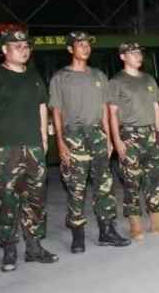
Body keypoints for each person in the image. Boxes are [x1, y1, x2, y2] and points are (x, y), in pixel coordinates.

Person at [0, 30, 58, 272]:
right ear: (5, 50)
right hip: (6, 149)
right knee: (7, 200)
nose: (24, 50)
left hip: (33, 147)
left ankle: (34, 247)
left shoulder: (34, 76)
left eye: (26, 46)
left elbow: (42, 107)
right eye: (17, 46)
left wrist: (43, 139)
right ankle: (9, 248)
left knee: (36, 199)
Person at [49, 31, 130, 254]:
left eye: (87, 45)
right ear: (70, 49)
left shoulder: (98, 76)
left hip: (97, 134)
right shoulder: (60, 78)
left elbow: (104, 109)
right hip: (73, 135)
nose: (85, 48)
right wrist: (60, 143)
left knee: (104, 185)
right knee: (76, 187)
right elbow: (56, 112)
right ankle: (78, 235)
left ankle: (107, 231)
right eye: (80, 44)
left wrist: (109, 138)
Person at [106, 42, 159, 241]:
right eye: (133, 53)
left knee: (154, 178)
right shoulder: (116, 82)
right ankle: (135, 223)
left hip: (150, 133)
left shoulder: (148, 79)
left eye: (139, 53)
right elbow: (112, 113)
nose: (138, 56)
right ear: (122, 57)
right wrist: (117, 140)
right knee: (131, 181)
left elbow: (156, 107)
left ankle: (157, 220)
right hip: (129, 135)